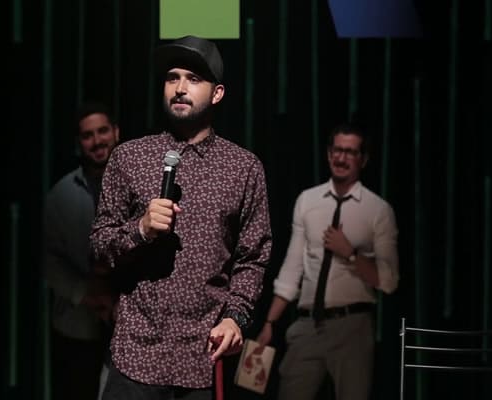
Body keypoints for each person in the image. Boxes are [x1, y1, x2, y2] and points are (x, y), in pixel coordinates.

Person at [90, 35, 272, 400]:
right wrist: (140, 229)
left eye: (193, 79)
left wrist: (235, 317)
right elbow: (99, 246)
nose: (180, 88)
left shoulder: (243, 167)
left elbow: (253, 256)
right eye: (172, 78)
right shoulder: (130, 157)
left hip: (202, 357)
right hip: (136, 354)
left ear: (217, 93)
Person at [255, 123, 399, 400]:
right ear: (328, 153)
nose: (341, 158)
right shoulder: (308, 201)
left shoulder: (378, 210)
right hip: (308, 325)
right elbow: (292, 268)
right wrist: (269, 323)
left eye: (350, 152)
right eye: (337, 150)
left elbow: (389, 281)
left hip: (352, 327)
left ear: (363, 160)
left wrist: (351, 254)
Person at [43, 102, 120, 400]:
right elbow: (48, 261)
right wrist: (88, 294)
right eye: (88, 135)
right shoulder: (61, 194)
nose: (97, 141)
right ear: (79, 143)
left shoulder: (139, 187)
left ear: (116, 132)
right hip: (76, 328)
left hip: (127, 329)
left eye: (103, 131)